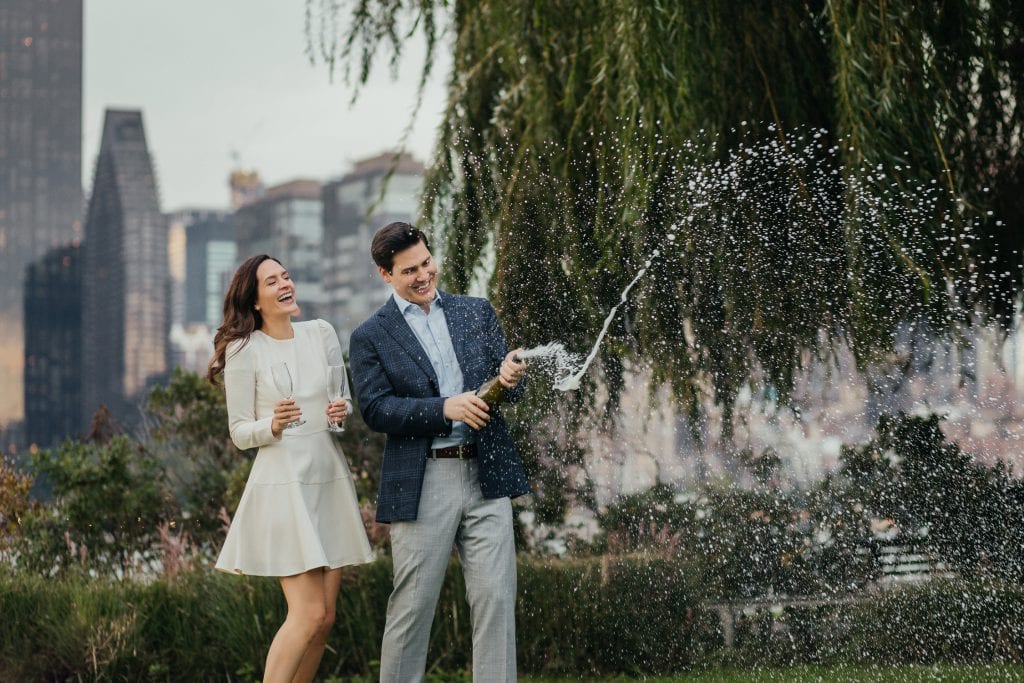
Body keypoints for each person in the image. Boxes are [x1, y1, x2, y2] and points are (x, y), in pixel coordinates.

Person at [348, 222, 529, 682]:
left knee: (496, 598)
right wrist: (444, 408)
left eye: (426, 262)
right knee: (412, 607)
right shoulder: (370, 336)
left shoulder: (475, 311)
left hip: (487, 474)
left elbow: (507, 389)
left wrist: (509, 378)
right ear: (385, 274)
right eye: (410, 270)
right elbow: (375, 409)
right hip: (424, 480)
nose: (424, 275)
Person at [206, 254, 374, 683]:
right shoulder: (244, 349)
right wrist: (274, 425)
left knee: (325, 618)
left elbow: (340, 401)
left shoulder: (321, 333)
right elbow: (239, 432)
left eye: (286, 276)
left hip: (328, 477)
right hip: (284, 485)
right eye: (272, 281)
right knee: (307, 613)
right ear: (255, 300)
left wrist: (340, 411)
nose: (285, 284)